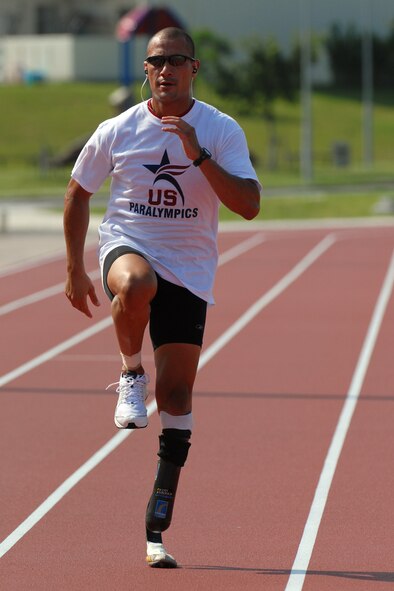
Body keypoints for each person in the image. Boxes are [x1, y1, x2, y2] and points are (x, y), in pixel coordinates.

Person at [64, 26, 261, 568]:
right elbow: (78, 192)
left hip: (191, 270)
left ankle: (159, 510)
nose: (166, 69)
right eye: (156, 62)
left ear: (194, 68)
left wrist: (197, 156)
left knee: (175, 397)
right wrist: (75, 268)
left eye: (177, 60)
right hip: (129, 244)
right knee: (135, 282)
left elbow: (249, 205)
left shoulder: (220, 129)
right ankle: (130, 373)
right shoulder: (119, 129)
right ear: (146, 71)